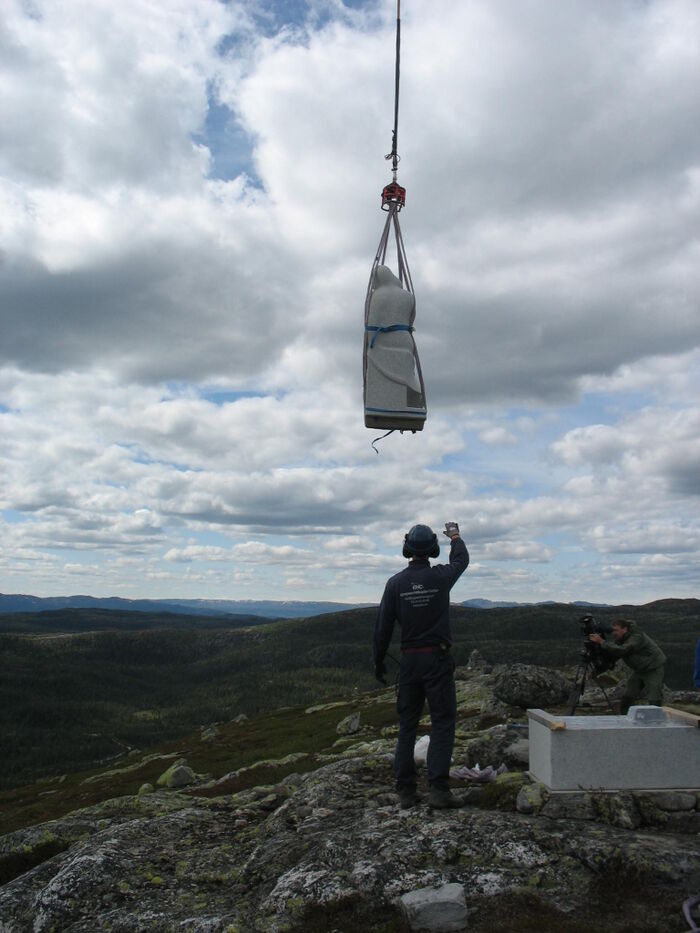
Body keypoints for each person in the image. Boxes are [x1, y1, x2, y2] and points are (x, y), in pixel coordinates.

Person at [373, 521, 469, 810]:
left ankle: (406, 791)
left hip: (410, 662)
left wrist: (378, 662)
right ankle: (438, 790)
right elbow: (461, 560)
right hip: (437, 661)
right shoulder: (441, 577)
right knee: (442, 722)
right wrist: (455, 535)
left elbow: (382, 629)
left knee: (407, 725)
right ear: (432, 549)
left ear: (406, 549)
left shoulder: (395, 584)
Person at [589, 619, 666, 715]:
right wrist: (598, 669)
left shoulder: (636, 637)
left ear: (625, 629)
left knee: (654, 697)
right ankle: (625, 717)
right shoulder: (622, 639)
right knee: (628, 696)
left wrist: (602, 642)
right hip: (639, 669)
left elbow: (623, 650)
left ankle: (656, 721)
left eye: (616, 630)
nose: (614, 633)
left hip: (653, 667)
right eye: (612, 630)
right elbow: (613, 656)